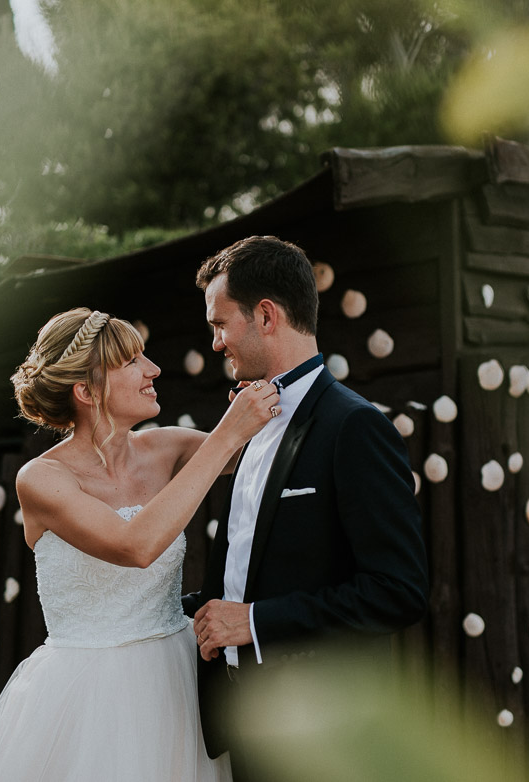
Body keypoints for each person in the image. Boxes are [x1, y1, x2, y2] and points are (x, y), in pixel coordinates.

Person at [0, 307, 279, 782]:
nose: (153, 370)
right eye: (132, 362)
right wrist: (228, 432)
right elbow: (137, 545)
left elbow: (267, 448)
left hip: (179, 679)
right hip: (86, 698)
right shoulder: (43, 479)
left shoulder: (168, 447)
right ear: (86, 392)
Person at [185, 236, 430, 778]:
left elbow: (399, 591)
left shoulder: (354, 427)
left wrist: (257, 622)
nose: (218, 342)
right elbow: (251, 566)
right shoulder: (248, 424)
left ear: (266, 316)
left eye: (221, 324)